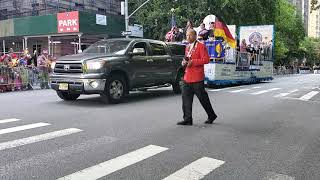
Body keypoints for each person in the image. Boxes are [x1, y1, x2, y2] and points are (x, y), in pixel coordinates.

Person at [177, 29, 218, 126]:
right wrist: (184, 62)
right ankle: (187, 119)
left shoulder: (201, 46)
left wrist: (194, 62)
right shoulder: (187, 47)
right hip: (187, 77)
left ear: (195, 36)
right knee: (186, 99)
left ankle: (211, 115)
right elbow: (187, 58)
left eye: (189, 35)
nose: (187, 37)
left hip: (197, 78)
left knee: (203, 99)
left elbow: (206, 59)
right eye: (186, 35)